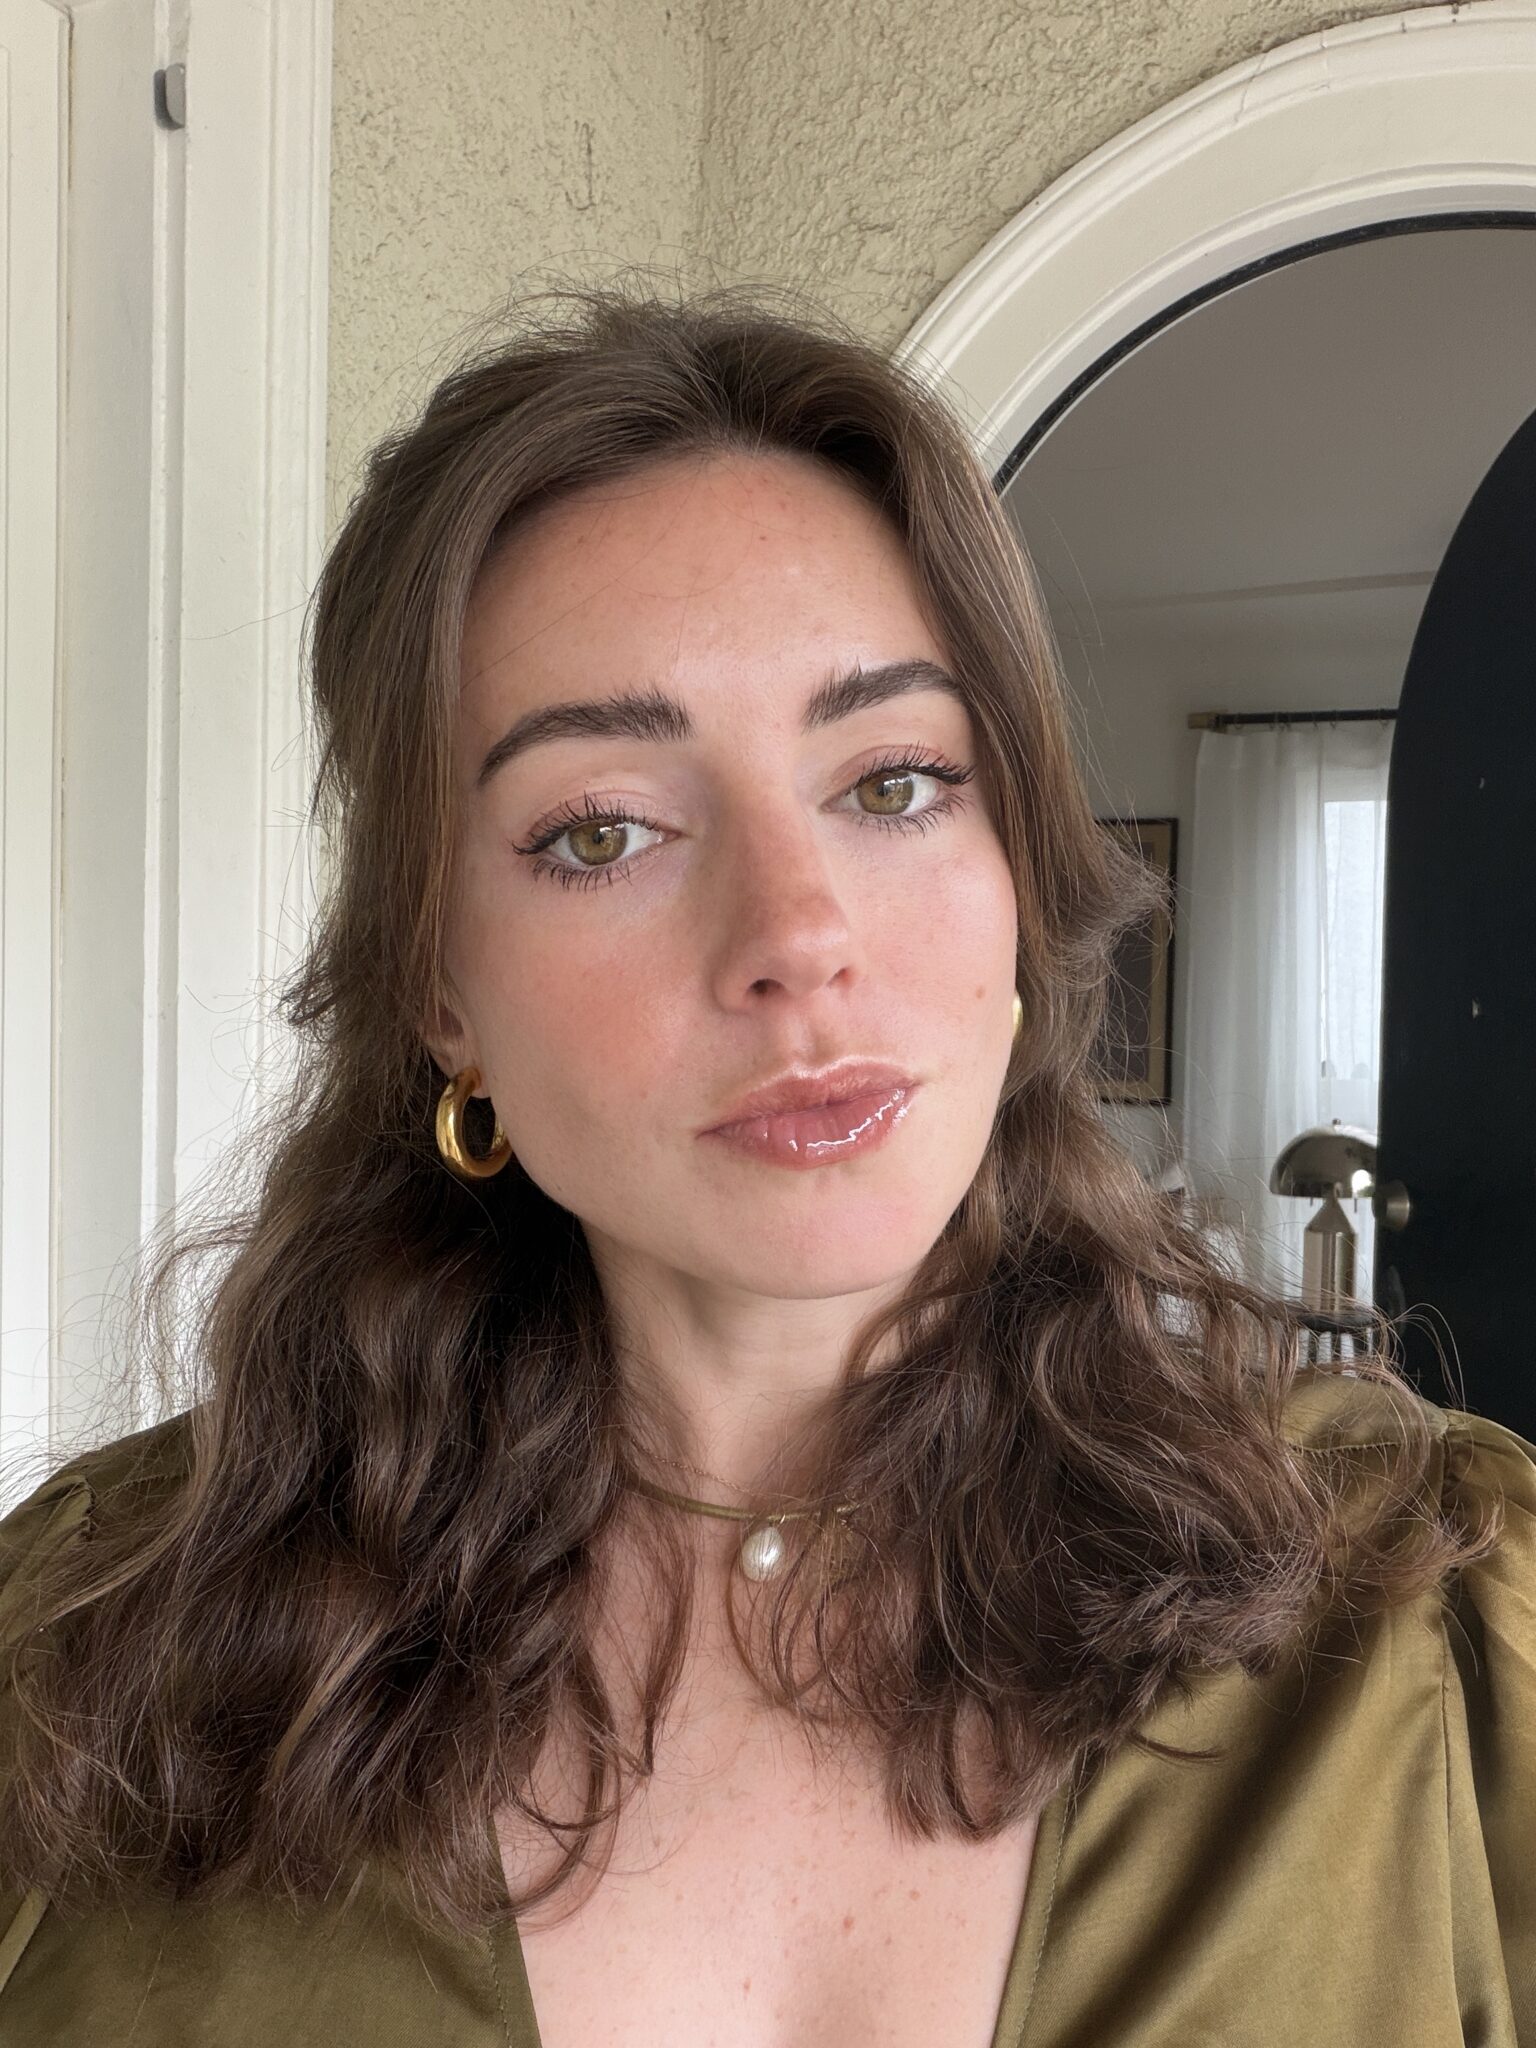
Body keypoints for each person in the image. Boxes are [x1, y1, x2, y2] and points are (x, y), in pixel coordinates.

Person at [0, 284, 1530, 2047]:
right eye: (603, 830)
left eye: (893, 784)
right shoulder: (91, 1667)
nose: (798, 936)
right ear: (438, 989)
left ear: (1018, 881)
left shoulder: (1434, 1638)